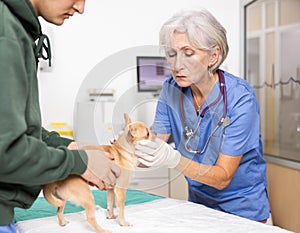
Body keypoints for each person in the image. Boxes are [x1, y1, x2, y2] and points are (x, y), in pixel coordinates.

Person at [135, 9, 271, 223]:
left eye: (188, 53)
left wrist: (172, 158)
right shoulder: (171, 89)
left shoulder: (240, 99)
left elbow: (223, 177)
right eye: (172, 53)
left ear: (213, 56)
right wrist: (130, 149)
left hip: (243, 211)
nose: (177, 64)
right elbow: (153, 145)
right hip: (199, 207)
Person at [0, 0, 121, 232]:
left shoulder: (16, 28)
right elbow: (7, 151)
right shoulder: (6, 32)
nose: (81, 7)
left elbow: (15, 128)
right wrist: (80, 163)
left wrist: (73, 146)